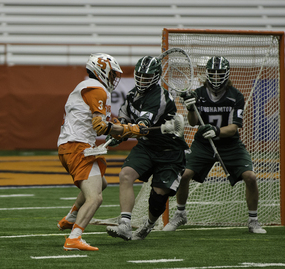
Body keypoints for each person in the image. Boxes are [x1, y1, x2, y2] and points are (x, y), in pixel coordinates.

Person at [163, 56, 267, 234]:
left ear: (226, 75)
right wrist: (190, 108)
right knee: (185, 174)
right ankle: (180, 213)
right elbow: (194, 122)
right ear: (207, 74)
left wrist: (217, 131)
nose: (216, 77)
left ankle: (253, 220)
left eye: (220, 74)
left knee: (250, 177)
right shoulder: (198, 94)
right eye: (213, 73)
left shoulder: (236, 96)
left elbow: (234, 128)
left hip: (230, 144)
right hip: (203, 143)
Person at [57, 53, 148, 251]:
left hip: (72, 146)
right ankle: (74, 237)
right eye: (113, 74)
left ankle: (71, 216)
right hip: (77, 147)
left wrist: (124, 128)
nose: (114, 79)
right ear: (102, 70)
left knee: (102, 183)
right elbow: (100, 126)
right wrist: (130, 130)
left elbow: (103, 121)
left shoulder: (86, 86)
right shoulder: (96, 88)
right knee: (95, 197)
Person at [105, 55, 189, 241]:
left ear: (156, 77)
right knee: (126, 174)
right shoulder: (132, 94)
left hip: (169, 152)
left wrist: (125, 132)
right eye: (140, 76)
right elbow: (125, 118)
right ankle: (125, 224)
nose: (142, 80)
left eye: (147, 76)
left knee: (158, 198)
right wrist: (119, 133)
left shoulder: (160, 97)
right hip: (147, 147)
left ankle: (148, 225)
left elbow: (142, 125)